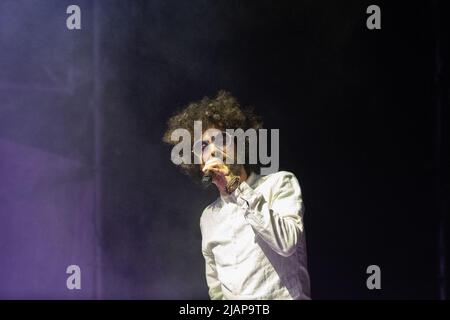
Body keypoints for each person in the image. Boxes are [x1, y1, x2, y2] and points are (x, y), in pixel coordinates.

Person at [163, 91, 310, 299]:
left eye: (220, 139)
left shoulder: (279, 183)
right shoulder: (209, 217)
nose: (212, 150)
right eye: (203, 146)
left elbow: (286, 244)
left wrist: (235, 186)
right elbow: (216, 291)